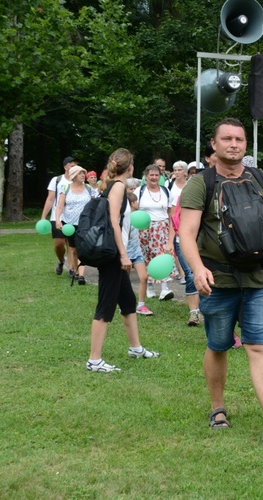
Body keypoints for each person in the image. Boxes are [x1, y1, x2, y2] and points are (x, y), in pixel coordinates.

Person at [178, 117, 263, 442]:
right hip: (217, 281)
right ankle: (217, 407)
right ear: (214, 144)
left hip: (259, 279)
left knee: (258, 347)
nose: (234, 144)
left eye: (239, 139)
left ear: (245, 144)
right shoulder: (200, 184)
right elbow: (187, 233)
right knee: (218, 345)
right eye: (227, 139)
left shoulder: (261, 178)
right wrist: (197, 268)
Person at [87, 148, 160, 373]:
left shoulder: (113, 186)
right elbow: (113, 222)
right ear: (130, 168)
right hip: (113, 255)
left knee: (128, 303)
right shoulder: (118, 187)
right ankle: (94, 360)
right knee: (105, 306)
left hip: (116, 253)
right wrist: (123, 254)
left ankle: (135, 348)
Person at [168, 161, 201, 326]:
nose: (194, 174)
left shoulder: (207, 194)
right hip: (183, 241)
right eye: (192, 172)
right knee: (190, 275)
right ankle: (194, 313)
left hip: (203, 242)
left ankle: (205, 309)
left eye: (198, 172)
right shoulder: (181, 195)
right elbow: (174, 219)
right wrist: (170, 242)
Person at [138, 164, 175, 301]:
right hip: (144, 229)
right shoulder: (139, 191)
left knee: (161, 255)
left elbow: (171, 214)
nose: (154, 177)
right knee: (146, 257)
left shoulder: (166, 191)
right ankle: (149, 287)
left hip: (162, 227)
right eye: (151, 175)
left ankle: (164, 289)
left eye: (156, 175)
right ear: (146, 176)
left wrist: (171, 235)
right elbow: (134, 211)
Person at [55, 165, 96, 285]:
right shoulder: (65, 188)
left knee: (82, 248)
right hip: (69, 223)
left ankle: (81, 275)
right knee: (73, 249)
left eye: (84, 173)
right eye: (80, 173)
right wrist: (58, 220)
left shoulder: (89, 189)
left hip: (85, 223)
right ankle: (74, 269)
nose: (83, 175)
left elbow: (94, 206)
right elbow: (60, 206)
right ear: (73, 176)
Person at [41, 156, 76, 275]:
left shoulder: (78, 181)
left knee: (71, 245)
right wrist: (43, 217)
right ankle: (61, 261)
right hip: (57, 217)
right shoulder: (57, 180)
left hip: (73, 218)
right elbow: (50, 199)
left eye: (76, 166)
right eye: (72, 166)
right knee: (59, 244)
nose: (74, 168)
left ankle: (71, 269)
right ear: (65, 167)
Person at [124, 178, 152, 316]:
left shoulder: (138, 217)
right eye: (136, 201)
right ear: (132, 203)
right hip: (126, 253)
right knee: (125, 280)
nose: (138, 203)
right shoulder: (125, 218)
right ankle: (124, 304)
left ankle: (141, 305)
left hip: (137, 252)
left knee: (144, 277)